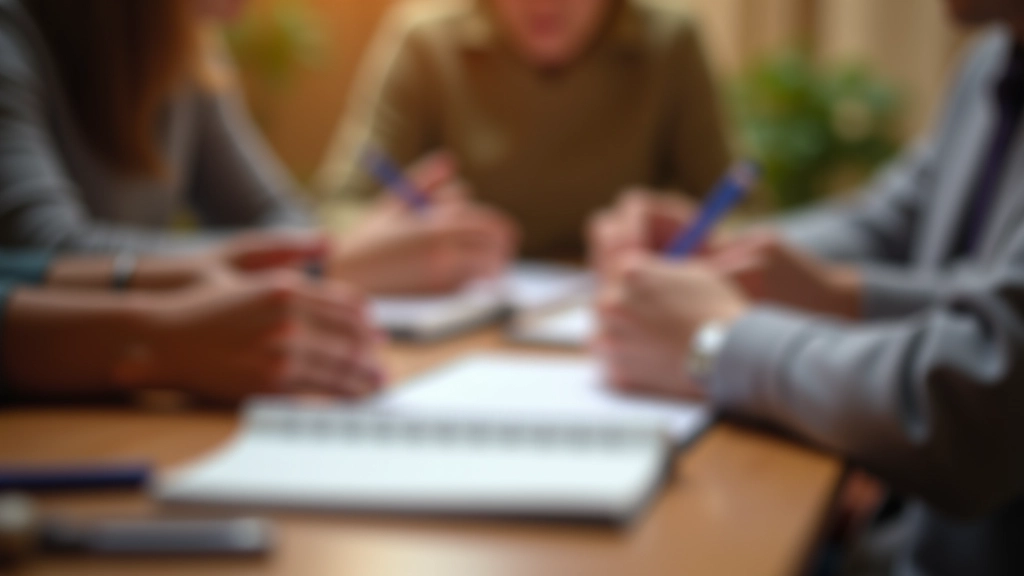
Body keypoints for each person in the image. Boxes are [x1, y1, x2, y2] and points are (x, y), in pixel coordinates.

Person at [592, 0, 1024, 574]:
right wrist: (717, 251)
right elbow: (890, 222)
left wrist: (717, 342)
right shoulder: (993, 58)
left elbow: (973, 398)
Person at [0, 0, 515, 295]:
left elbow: (276, 217)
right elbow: (45, 259)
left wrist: (342, 245)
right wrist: (320, 263)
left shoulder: (184, 42)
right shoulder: (14, 30)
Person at [317, 0, 731, 258]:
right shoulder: (425, 41)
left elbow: (740, 212)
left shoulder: (671, 41)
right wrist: (396, 243)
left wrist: (684, 236)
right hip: (455, 322)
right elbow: (336, 212)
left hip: (624, 315)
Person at [0, 233, 385, 404]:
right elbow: (37, 237)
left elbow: (277, 211)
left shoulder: (193, 74)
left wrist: (182, 272)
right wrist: (153, 334)